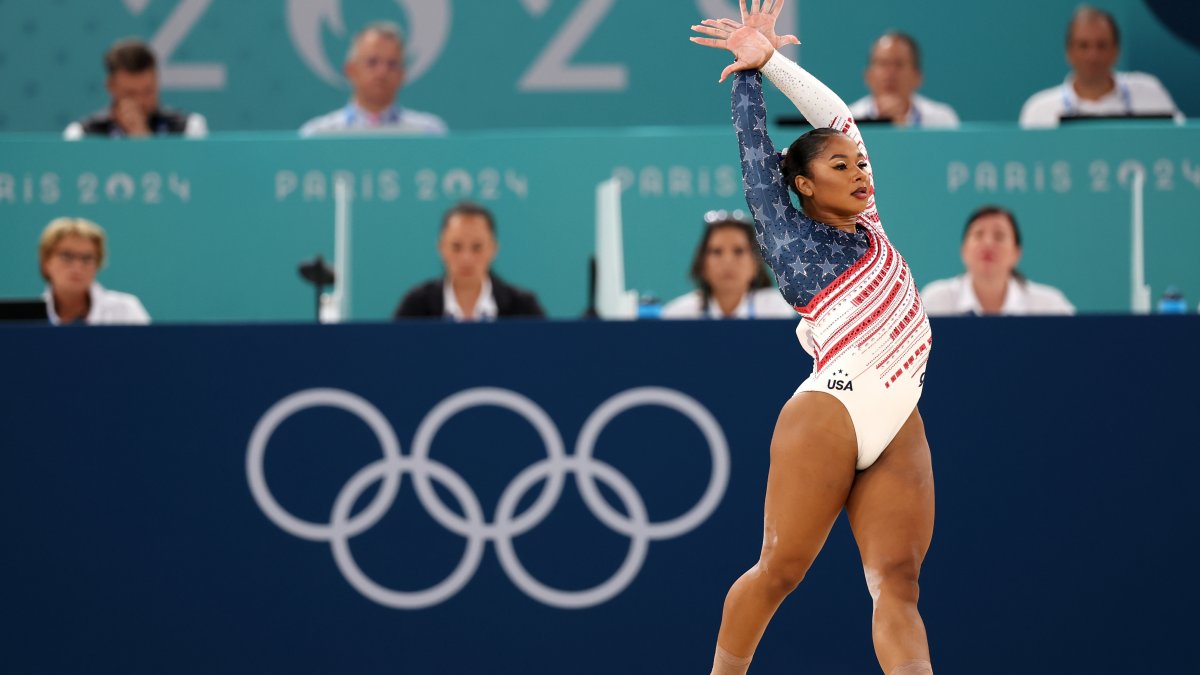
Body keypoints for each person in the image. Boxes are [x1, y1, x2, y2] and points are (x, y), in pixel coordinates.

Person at [691, 2, 935, 674]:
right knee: (779, 572)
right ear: (802, 184)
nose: (859, 171)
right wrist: (749, 73)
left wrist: (778, 62)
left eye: (860, 164)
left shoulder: (872, 223)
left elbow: (839, 119)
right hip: (830, 410)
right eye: (840, 166)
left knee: (900, 583)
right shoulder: (792, 240)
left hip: (896, 415)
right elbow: (755, 156)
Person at [1019, 5, 1182, 128]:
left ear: (1116, 51)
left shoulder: (1150, 94)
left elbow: (1182, 145)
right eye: (1083, 46)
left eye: (1101, 45)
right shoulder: (1038, 111)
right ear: (1069, 52)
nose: (1092, 56)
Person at [394, 201, 544, 321]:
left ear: (493, 249)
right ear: (441, 248)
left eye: (477, 247)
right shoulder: (416, 307)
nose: (466, 258)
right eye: (456, 247)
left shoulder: (523, 308)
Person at [300, 22, 447, 137]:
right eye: (372, 62)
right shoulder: (317, 134)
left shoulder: (428, 133)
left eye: (392, 64)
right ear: (350, 70)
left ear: (402, 75)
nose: (382, 72)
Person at [921, 205, 1074, 316]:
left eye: (999, 236)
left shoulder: (1050, 307)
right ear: (963, 250)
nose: (987, 243)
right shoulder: (935, 302)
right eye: (978, 234)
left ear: (1016, 253)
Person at [64, 39, 207, 140]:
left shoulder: (189, 129)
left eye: (148, 91)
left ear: (157, 82)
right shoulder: (81, 135)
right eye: (130, 93)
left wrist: (142, 137)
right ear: (111, 86)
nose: (140, 101)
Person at [661, 213, 797, 319]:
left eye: (738, 251)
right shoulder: (677, 315)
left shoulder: (777, 311)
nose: (727, 261)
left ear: (755, 264)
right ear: (702, 264)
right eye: (716, 251)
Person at [38, 217, 150, 325]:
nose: (77, 266)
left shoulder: (126, 311)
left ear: (98, 264)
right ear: (46, 262)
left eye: (87, 258)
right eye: (67, 256)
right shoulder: (27, 317)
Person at [848, 32, 959, 128]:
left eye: (899, 64)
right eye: (882, 64)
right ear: (868, 75)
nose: (890, 74)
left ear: (917, 76)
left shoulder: (942, 120)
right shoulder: (847, 120)